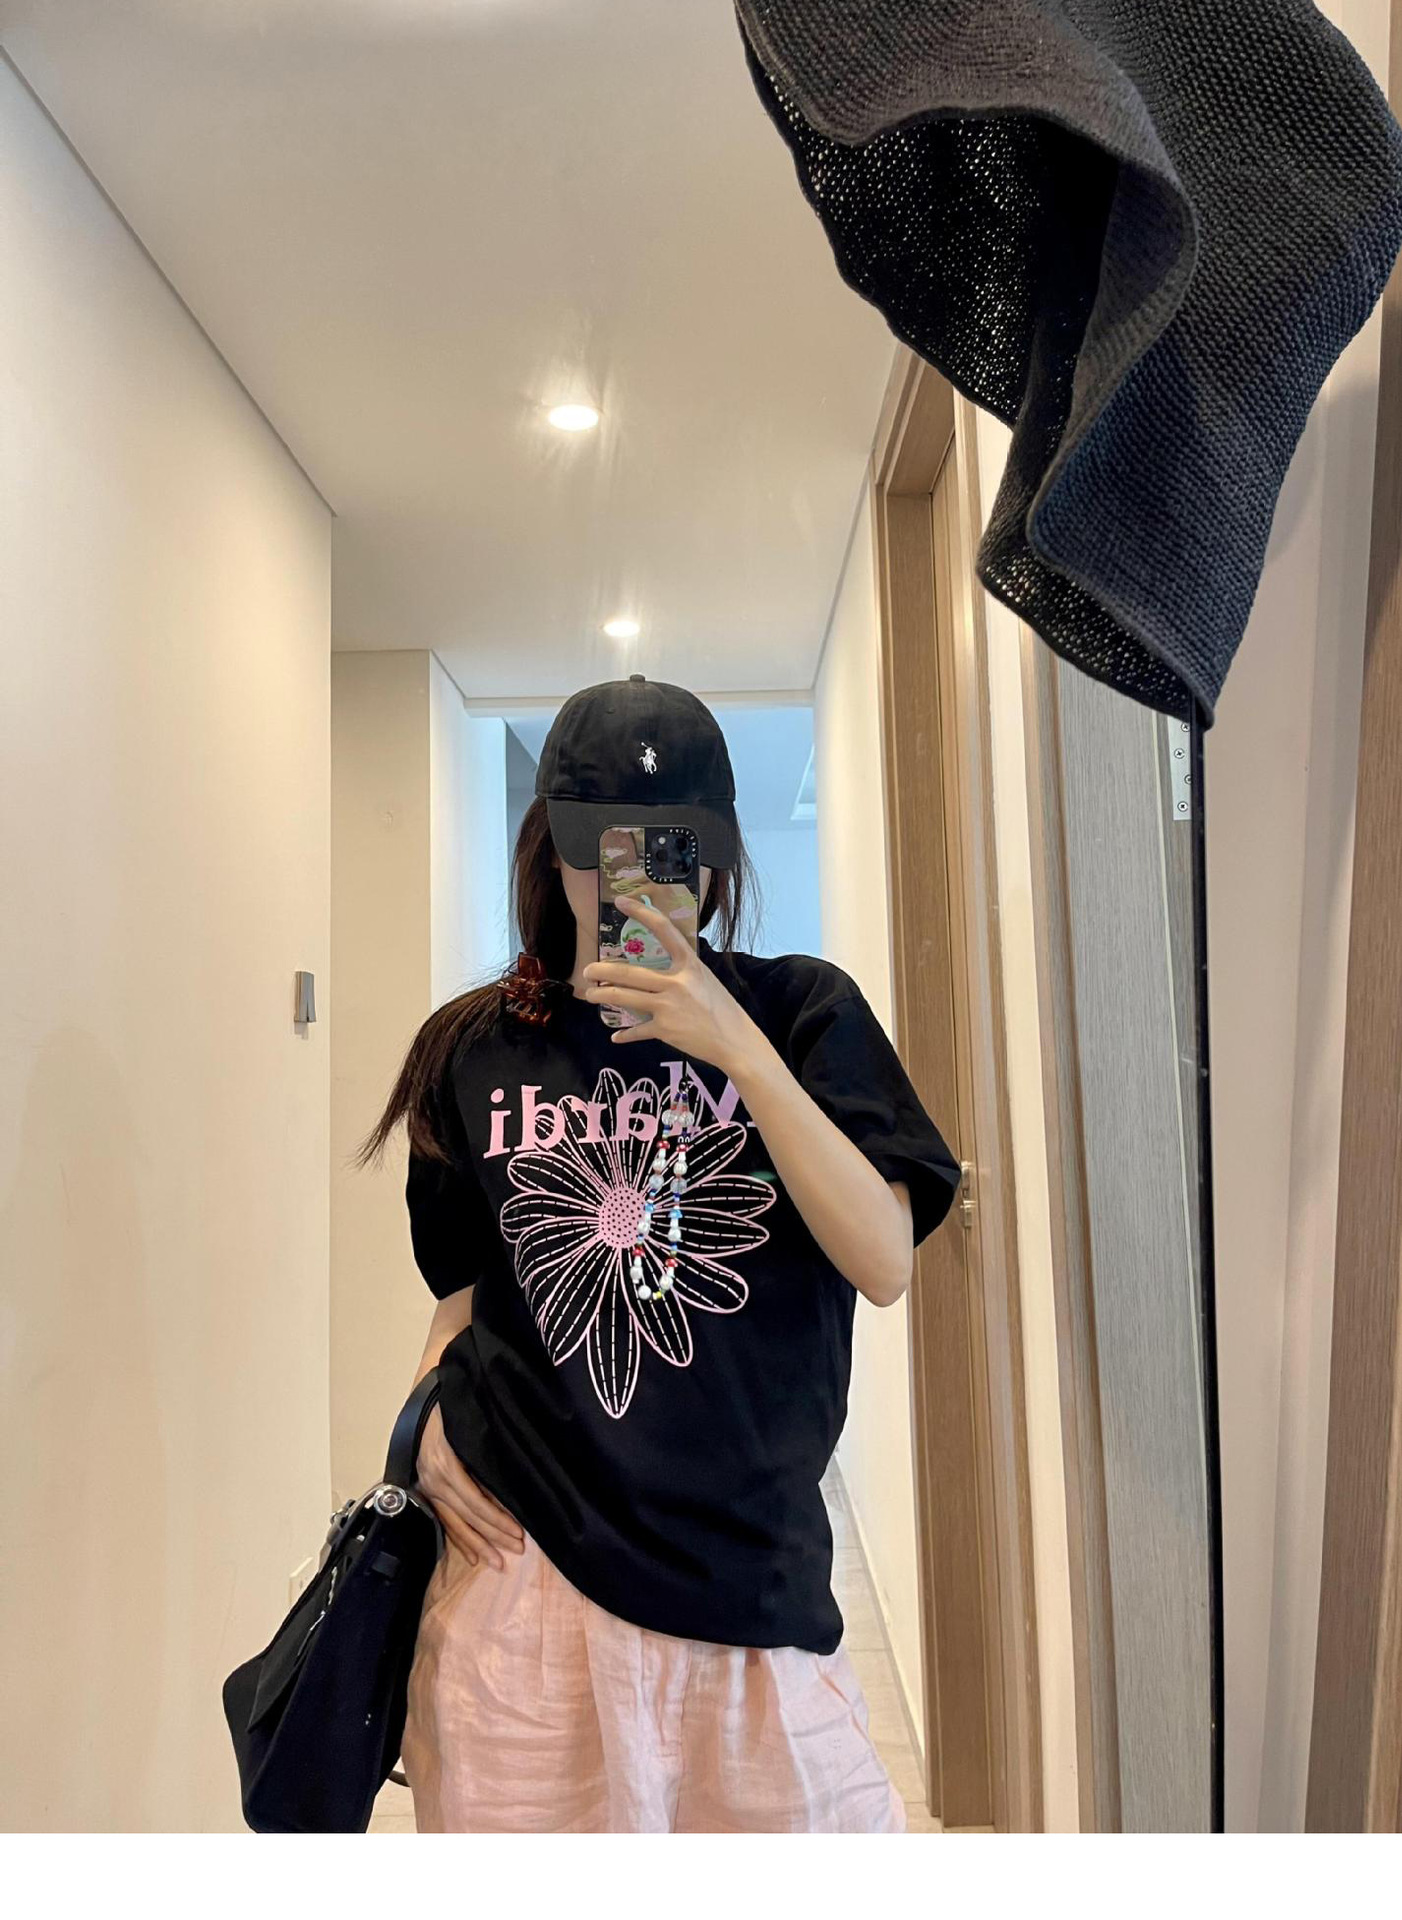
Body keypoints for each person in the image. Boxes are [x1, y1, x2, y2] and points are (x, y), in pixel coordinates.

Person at [364, 674, 959, 1833]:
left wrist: (735, 1047)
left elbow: (883, 1259)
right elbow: (467, 1297)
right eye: (602, 846)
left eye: (670, 847)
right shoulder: (474, 1049)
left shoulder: (804, 1014)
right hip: (519, 1587)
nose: (631, 876)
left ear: (718, 854)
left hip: (752, 1594)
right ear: (551, 847)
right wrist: (422, 1430)